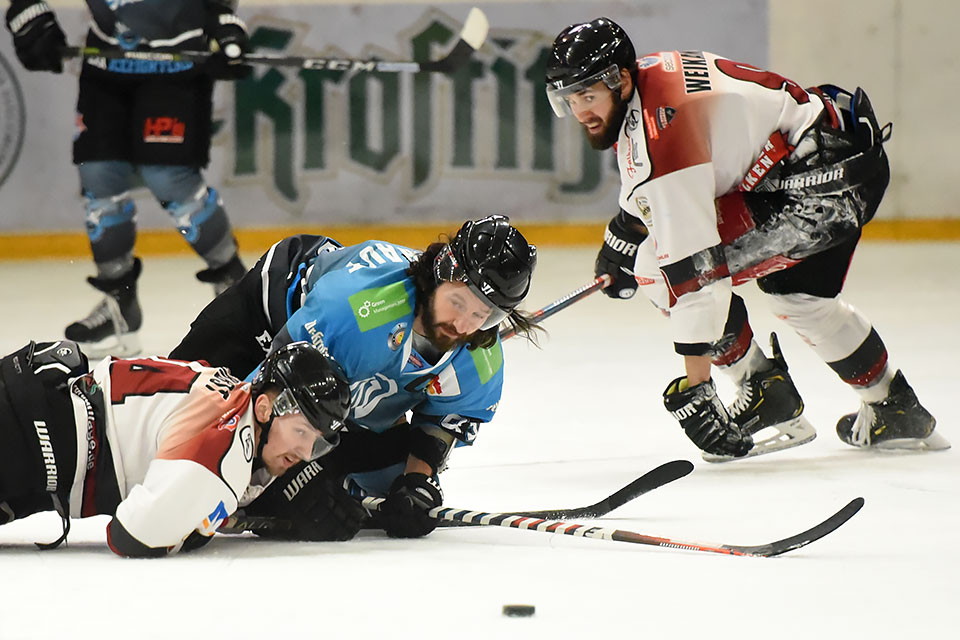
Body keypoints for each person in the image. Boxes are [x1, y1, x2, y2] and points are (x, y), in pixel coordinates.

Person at [544, 17, 949, 460]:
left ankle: (762, 391)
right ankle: (895, 407)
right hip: (844, 153)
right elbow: (655, 187)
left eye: (587, 95)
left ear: (619, 81)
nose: (581, 111)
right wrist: (618, 238)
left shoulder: (661, 136)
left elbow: (697, 275)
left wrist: (696, 388)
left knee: (654, 272)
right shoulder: (651, 76)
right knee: (799, 298)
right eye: (569, 98)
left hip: (818, 189)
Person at [170, 215, 540, 538]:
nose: (462, 326)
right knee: (181, 423)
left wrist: (417, 480)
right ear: (439, 273)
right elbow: (271, 392)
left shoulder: (479, 355)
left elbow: (443, 422)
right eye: (457, 303)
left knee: (394, 491)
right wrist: (290, 483)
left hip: (342, 383)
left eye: (482, 316)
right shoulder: (360, 310)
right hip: (266, 321)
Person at [4, 0, 251, 359]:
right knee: (99, 174)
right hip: (106, 59)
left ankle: (237, 290)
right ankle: (119, 306)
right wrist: (27, 11)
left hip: (175, 61)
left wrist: (223, 17)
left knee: (169, 178)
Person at [0, 338, 366, 556]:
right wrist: (197, 528)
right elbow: (133, 536)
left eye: (316, 445)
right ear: (267, 407)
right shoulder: (228, 451)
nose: (304, 455)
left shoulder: (229, 390)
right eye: (301, 432)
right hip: (31, 440)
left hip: (37, 409)